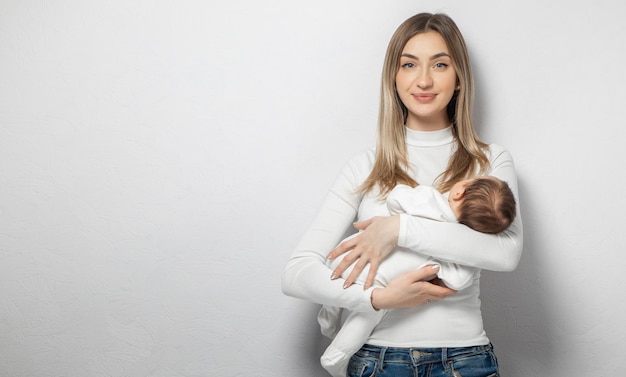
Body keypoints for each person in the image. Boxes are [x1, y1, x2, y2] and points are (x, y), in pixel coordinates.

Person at [282, 12, 523, 377]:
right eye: (409, 64)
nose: (423, 79)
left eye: (440, 64)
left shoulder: (489, 161)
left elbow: (506, 254)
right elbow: (296, 273)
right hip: (378, 362)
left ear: (459, 78)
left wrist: (398, 229)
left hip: (465, 360)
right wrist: (377, 299)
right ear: (394, 78)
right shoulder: (366, 165)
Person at [319, 176, 517, 377]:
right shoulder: (461, 248)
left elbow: (395, 198)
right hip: (382, 281)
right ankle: (336, 355)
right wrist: (440, 274)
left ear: (459, 191)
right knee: (367, 315)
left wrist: (399, 221)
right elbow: (459, 280)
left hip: (354, 259)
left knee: (339, 292)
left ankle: (328, 321)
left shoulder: (429, 198)